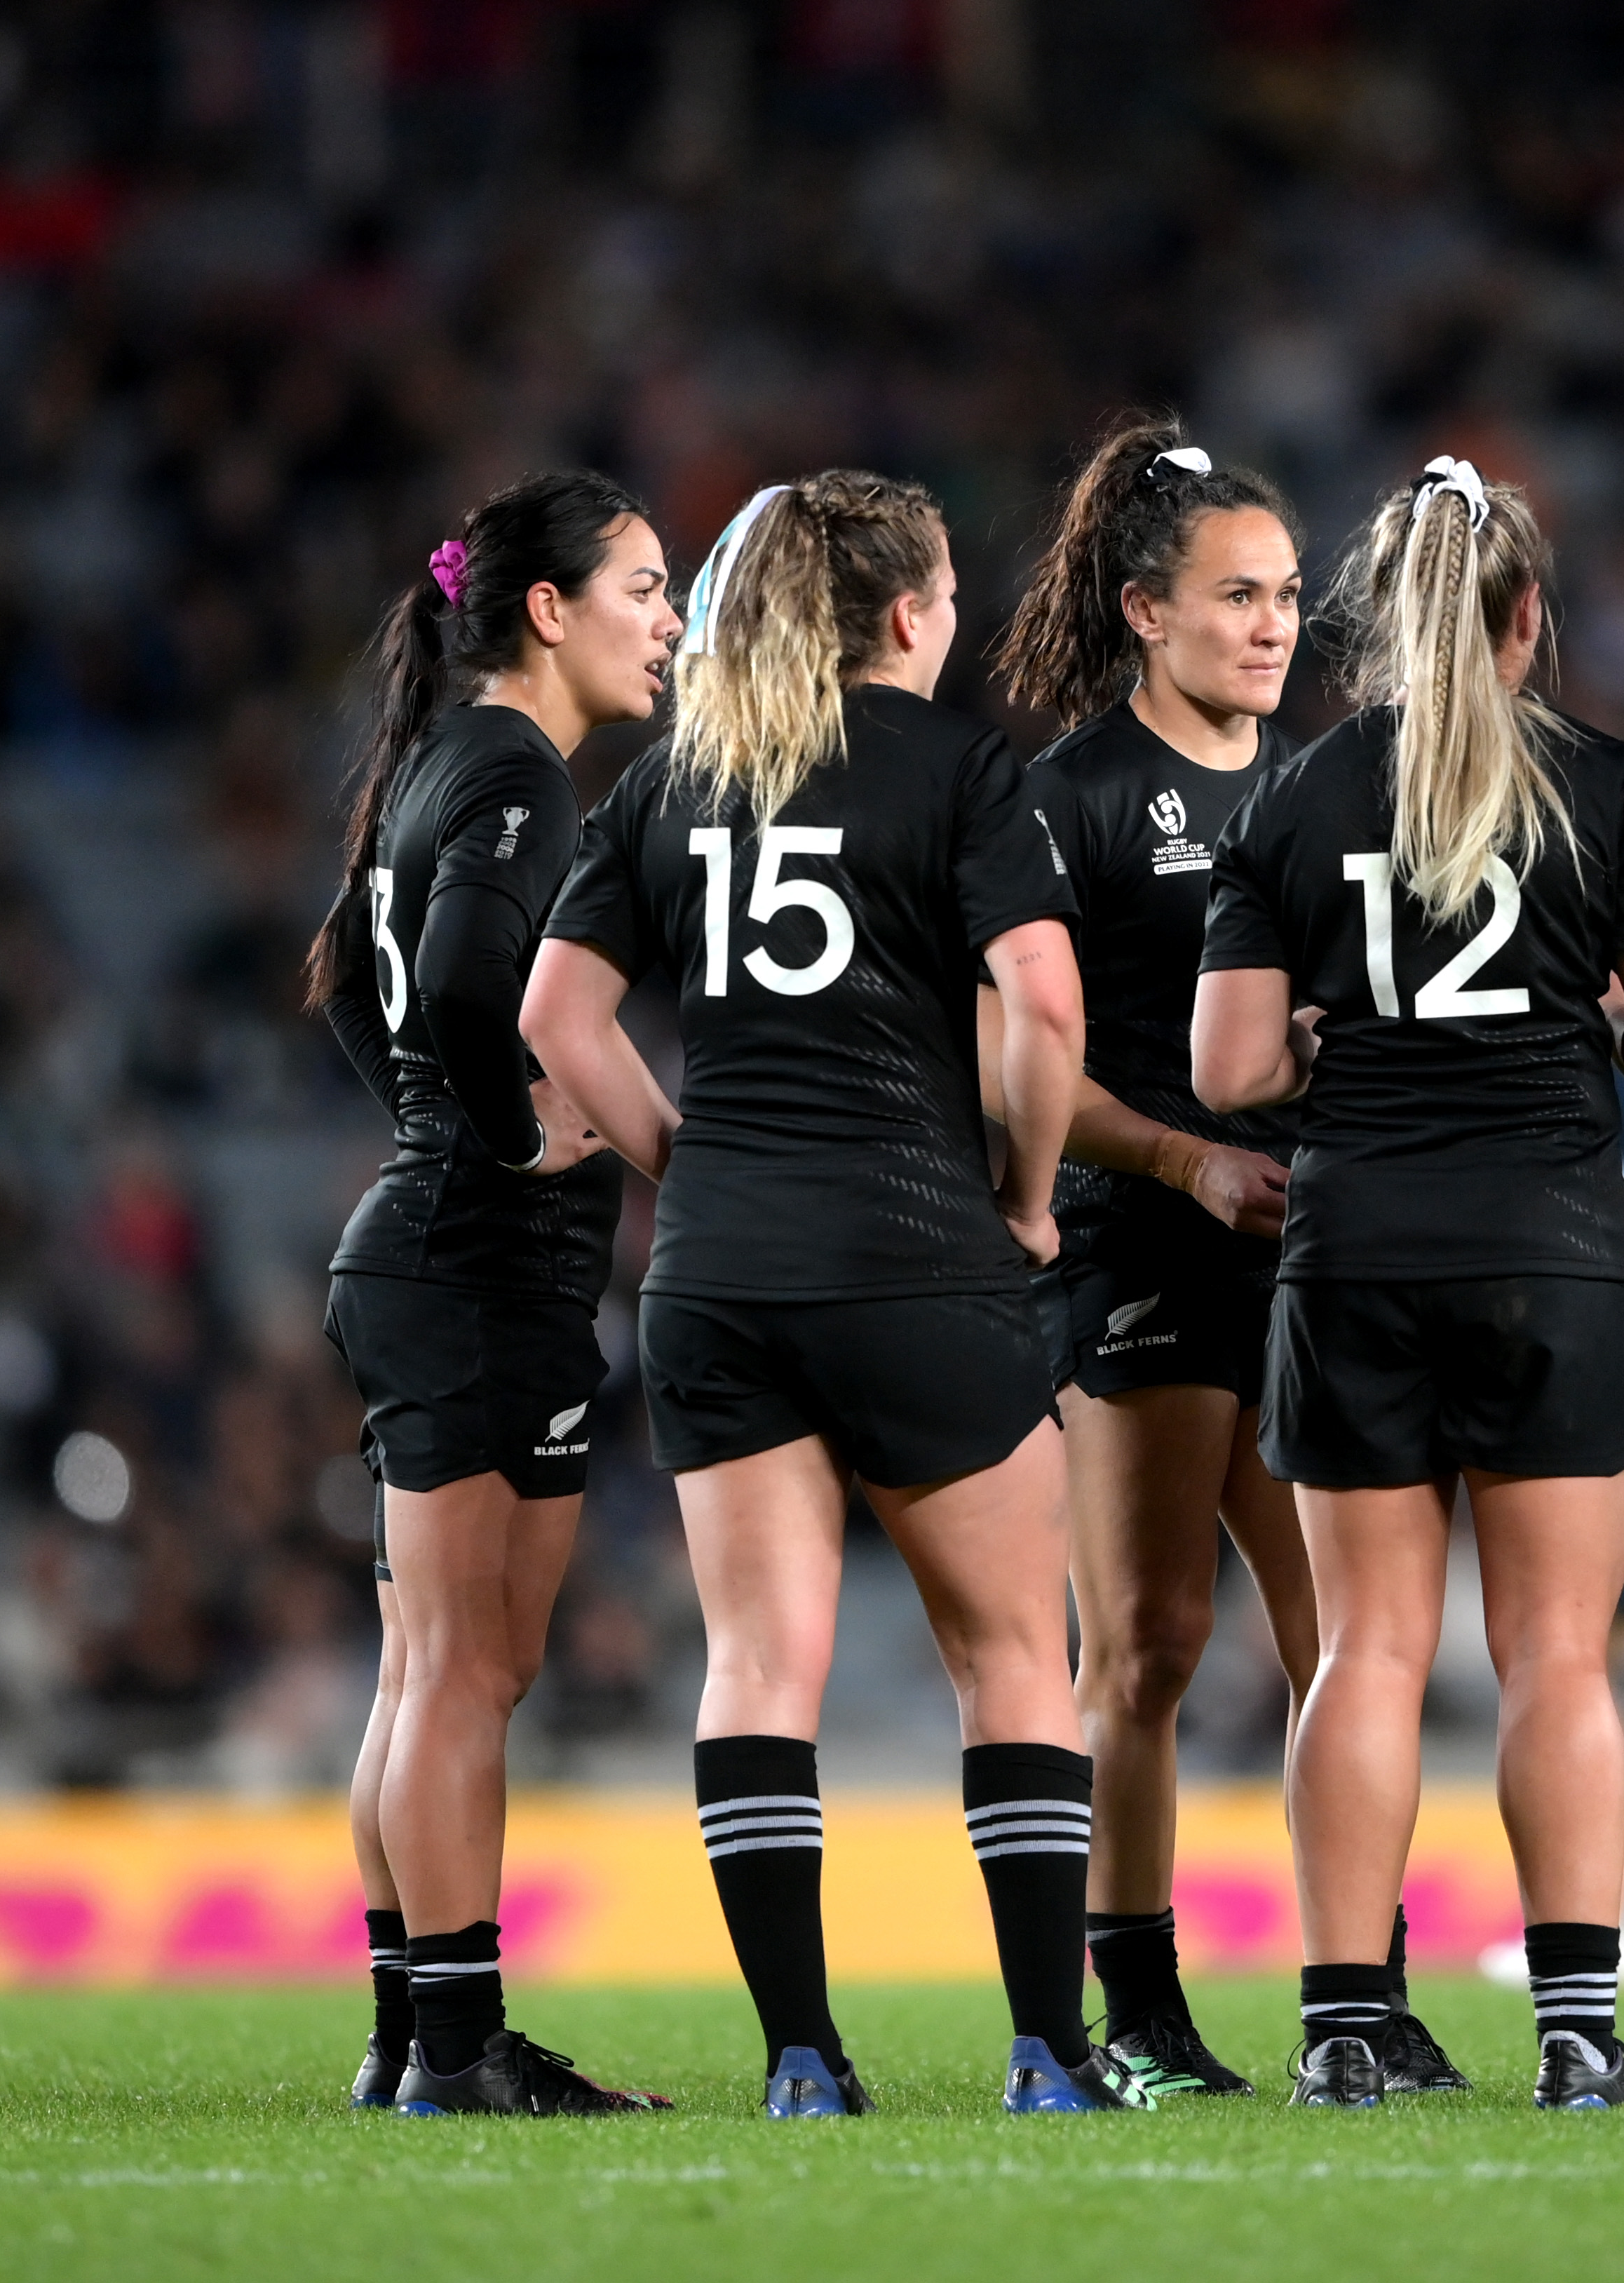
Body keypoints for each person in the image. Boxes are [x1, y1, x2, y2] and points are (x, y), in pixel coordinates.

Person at [521, 471, 1146, 2116]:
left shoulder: (680, 770)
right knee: (1013, 1657)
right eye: (948, 599)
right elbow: (1046, 1008)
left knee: (755, 1664)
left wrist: (684, 1160)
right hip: (922, 1250)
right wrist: (1027, 1196)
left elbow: (559, 1016)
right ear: (908, 612)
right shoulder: (957, 766)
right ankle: (1047, 2049)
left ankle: (802, 2054)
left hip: (724, 1270)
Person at [1193, 457, 1624, 2111]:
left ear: (1377, 619)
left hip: (1355, 1245)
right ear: (1526, 619)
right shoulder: (1603, 784)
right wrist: (1593, 1018)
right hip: (1551, 1249)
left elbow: (1226, 1070)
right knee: (1560, 1656)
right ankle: (1577, 2032)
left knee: (1365, 1651)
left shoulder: (1293, 795)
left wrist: (1327, 1046)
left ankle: (1344, 2026)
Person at [989, 416, 1379, 2097]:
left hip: (1316, 1251)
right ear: (1147, 612)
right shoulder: (1067, 798)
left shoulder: (1335, 785)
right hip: (1139, 1242)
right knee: (1147, 1642)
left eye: (1287, 594)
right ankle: (1139, 2015)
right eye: (1238, 595)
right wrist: (1182, 1157)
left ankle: (1358, 2000)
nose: (1274, 625)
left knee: (1343, 1637)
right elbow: (1012, 1061)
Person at [309, 470, 681, 2117]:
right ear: (548, 607)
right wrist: (510, 1130)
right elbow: (464, 983)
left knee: (432, 1668)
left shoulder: (441, 762)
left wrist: (428, 1124)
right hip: (474, 1267)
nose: (668, 621)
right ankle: (456, 2047)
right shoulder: (520, 769)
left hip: (437, 1254)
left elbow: (348, 975)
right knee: (463, 1671)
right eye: (643, 588)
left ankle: (416, 2031)